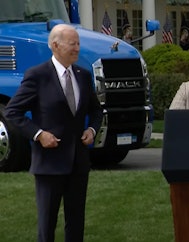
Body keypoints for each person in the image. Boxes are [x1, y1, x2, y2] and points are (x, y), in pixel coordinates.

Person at [5, 24, 103, 242]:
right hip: (49, 164)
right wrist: (39, 134)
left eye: (78, 43)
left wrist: (92, 129)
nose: (77, 48)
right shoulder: (37, 75)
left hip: (78, 162)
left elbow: (96, 110)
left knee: (76, 221)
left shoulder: (83, 76)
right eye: (73, 43)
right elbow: (13, 111)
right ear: (56, 45)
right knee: (47, 223)